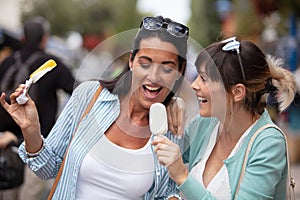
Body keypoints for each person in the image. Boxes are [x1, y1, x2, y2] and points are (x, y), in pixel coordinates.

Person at [0, 16, 190, 199]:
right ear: (131, 61)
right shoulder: (89, 95)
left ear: (180, 72)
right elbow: (47, 169)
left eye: (167, 68)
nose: (154, 77)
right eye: (145, 63)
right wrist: (31, 130)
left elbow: (166, 193)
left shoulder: (173, 127)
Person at [152, 37, 296, 199]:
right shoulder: (204, 125)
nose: (194, 85)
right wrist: (168, 105)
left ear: (237, 92)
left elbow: (177, 168)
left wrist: (183, 177)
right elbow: (155, 155)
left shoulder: (268, 143)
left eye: (204, 79)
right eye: (197, 76)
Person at [0, 16, 75, 200]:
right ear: (44, 38)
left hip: (5, 143)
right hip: (38, 147)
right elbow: (78, 91)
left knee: (7, 194)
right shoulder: (53, 64)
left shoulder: (7, 62)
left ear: (23, 38)